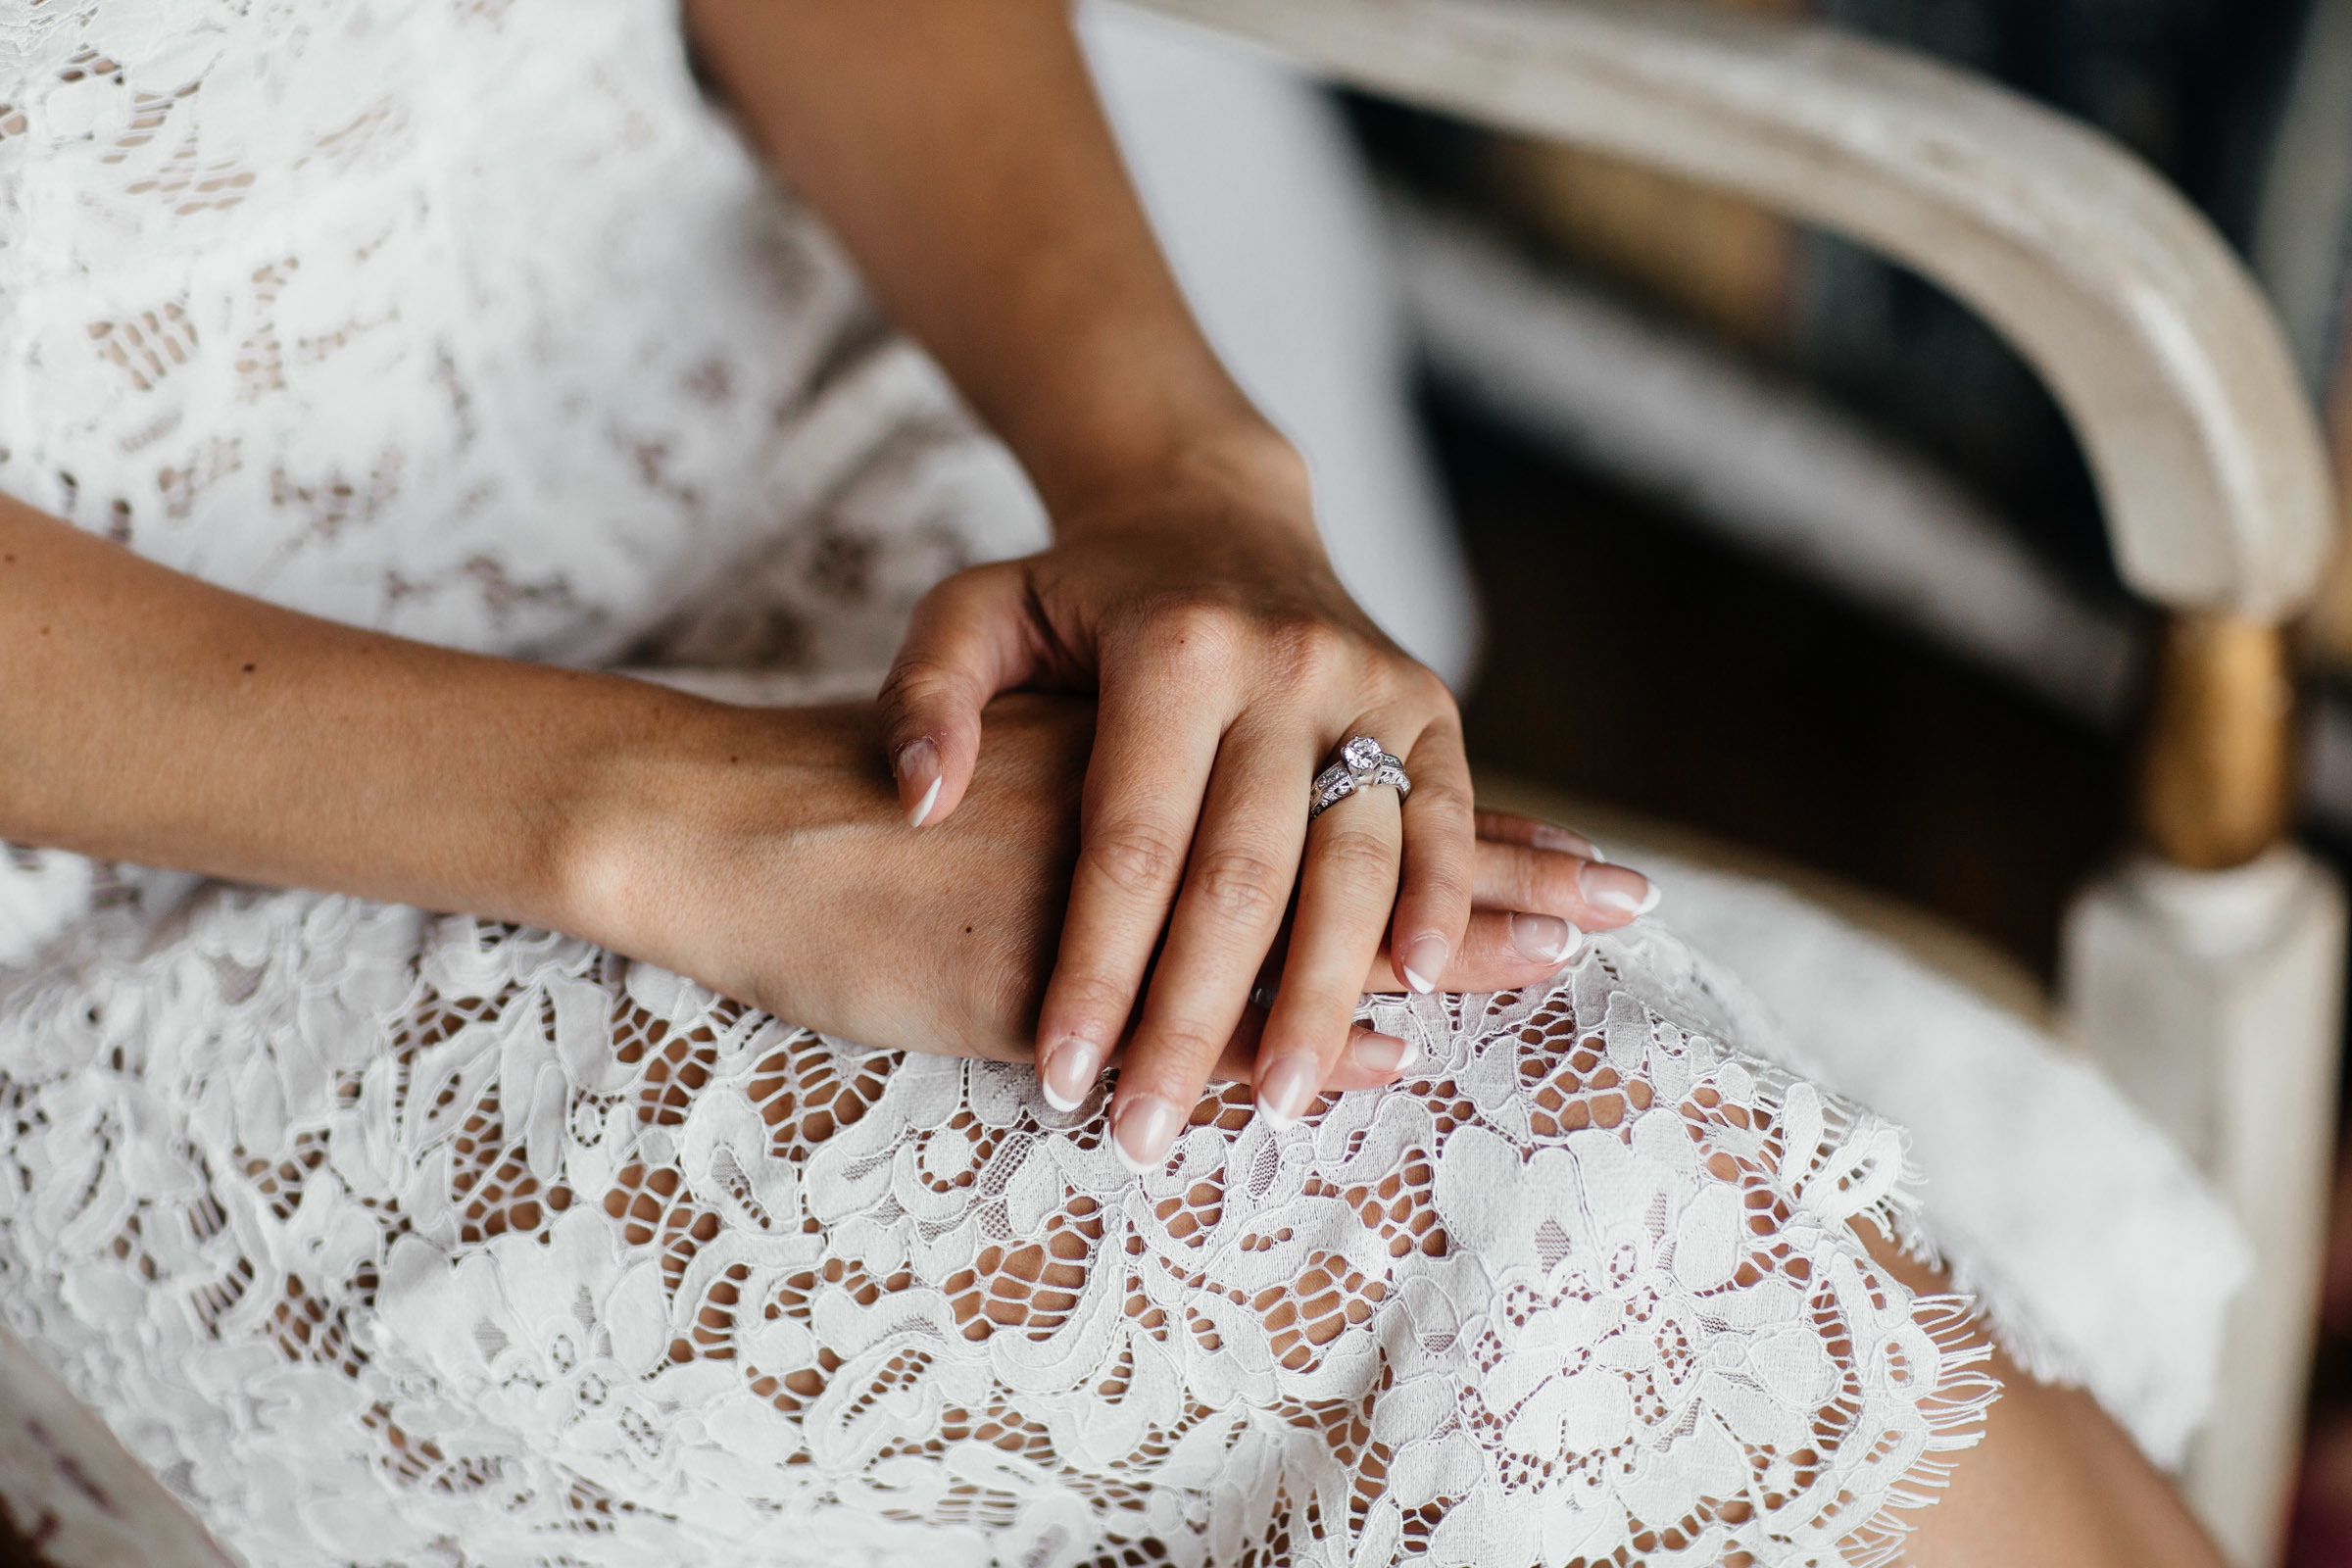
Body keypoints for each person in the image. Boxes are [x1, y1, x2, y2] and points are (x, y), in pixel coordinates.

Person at [0, 1, 2232, 1563]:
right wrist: (705, 825)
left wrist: (1184, 476)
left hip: (772, 449)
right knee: (1592, 1195)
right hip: (139, 828)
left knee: (1750, 1167)